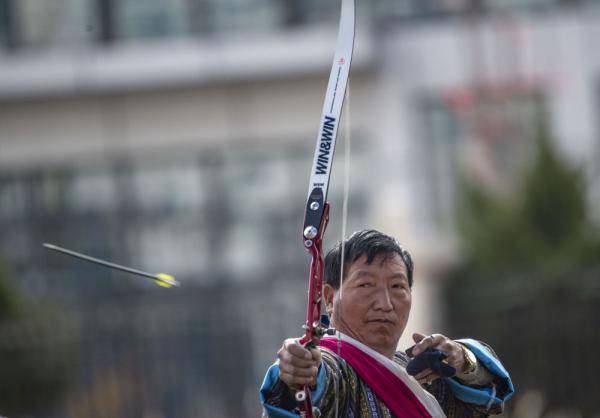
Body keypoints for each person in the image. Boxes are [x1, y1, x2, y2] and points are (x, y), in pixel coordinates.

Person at [260, 229, 514, 417]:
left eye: (397, 286)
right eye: (366, 285)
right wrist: (298, 371)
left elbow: (488, 399)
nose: (385, 303)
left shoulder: (421, 376)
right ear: (329, 297)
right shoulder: (335, 368)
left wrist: (460, 359)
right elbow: (317, 382)